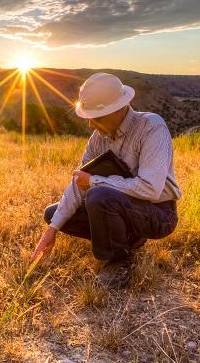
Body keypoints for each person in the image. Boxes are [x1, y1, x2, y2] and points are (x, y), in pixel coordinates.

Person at [30, 72, 181, 289]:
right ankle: (130, 240)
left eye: (97, 117)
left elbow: (150, 190)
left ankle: (119, 261)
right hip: (120, 207)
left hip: (159, 213)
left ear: (119, 108)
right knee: (53, 214)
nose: (91, 124)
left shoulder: (151, 127)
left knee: (98, 194)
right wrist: (51, 230)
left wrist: (95, 181)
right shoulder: (98, 138)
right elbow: (78, 183)